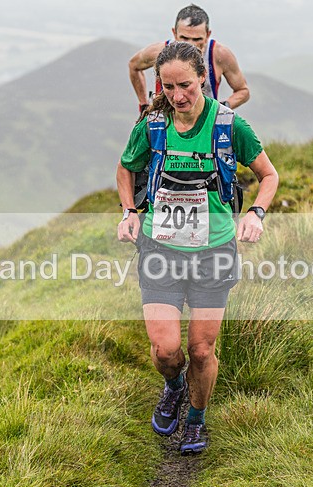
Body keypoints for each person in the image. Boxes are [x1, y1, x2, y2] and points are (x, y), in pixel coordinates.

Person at [116, 41, 278, 455]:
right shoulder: (152, 125)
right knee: (167, 350)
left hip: (213, 250)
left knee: (201, 350)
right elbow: (125, 168)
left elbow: (268, 174)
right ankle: (173, 386)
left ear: (204, 78)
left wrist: (255, 213)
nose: (177, 96)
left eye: (185, 85)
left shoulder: (229, 125)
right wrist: (129, 211)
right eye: (168, 87)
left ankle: (196, 418)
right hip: (160, 248)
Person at [128, 4, 250, 117]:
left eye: (197, 39)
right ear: (174, 33)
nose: (191, 45)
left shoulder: (219, 55)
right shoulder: (158, 52)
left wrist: (222, 108)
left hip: (204, 124)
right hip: (164, 123)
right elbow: (134, 65)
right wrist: (144, 105)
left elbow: (243, 90)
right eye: (184, 38)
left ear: (208, 35)